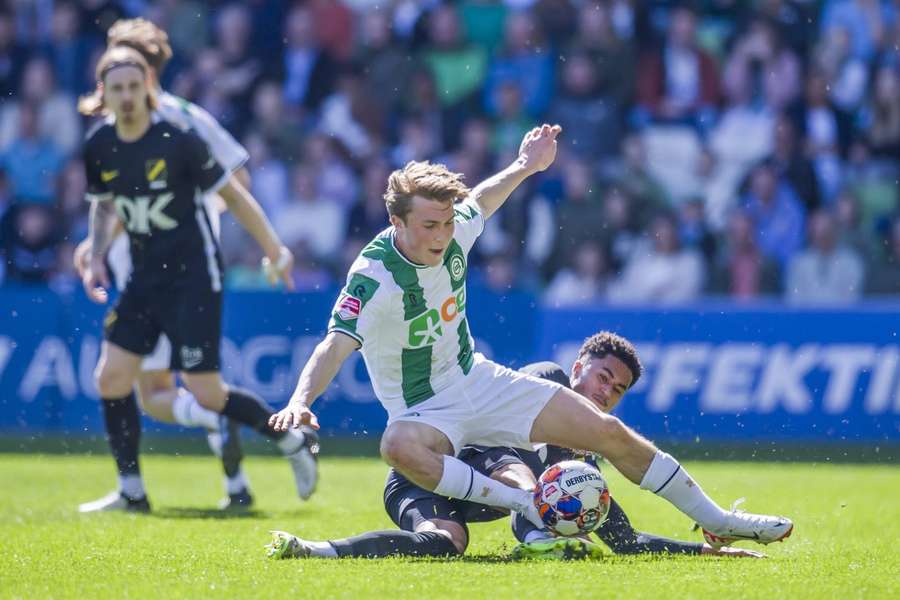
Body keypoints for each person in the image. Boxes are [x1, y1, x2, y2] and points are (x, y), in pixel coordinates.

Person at [271, 124, 793, 549]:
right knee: (396, 445)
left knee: (607, 433)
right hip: (424, 410)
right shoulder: (372, 275)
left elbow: (481, 200)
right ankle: (526, 506)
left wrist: (526, 165)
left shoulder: (455, 230)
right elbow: (334, 344)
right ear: (395, 221)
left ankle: (717, 518)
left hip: (477, 379)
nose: (441, 235)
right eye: (429, 225)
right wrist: (299, 400)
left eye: (446, 224)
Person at [73, 19, 319, 511]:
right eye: (114, 87)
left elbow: (237, 191)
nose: (124, 96)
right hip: (142, 275)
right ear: (102, 91)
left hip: (192, 276)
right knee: (112, 379)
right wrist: (96, 250)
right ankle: (133, 492)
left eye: (132, 85)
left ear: (147, 85)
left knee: (205, 393)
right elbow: (104, 203)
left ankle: (287, 440)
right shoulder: (98, 145)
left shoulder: (181, 135)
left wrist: (274, 248)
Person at [267, 332, 764, 560]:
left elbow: (624, 540)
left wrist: (705, 552)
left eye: (617, 391)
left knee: (447, 546)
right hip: (423, 473)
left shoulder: (582, 458)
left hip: (474, 498)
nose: (605, 393)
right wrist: (535, 505)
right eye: (602, 378)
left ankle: (540, 530)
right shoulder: (539, 385)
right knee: (507, 476)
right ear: (577, 368)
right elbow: (493, 450)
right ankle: (314, 550)